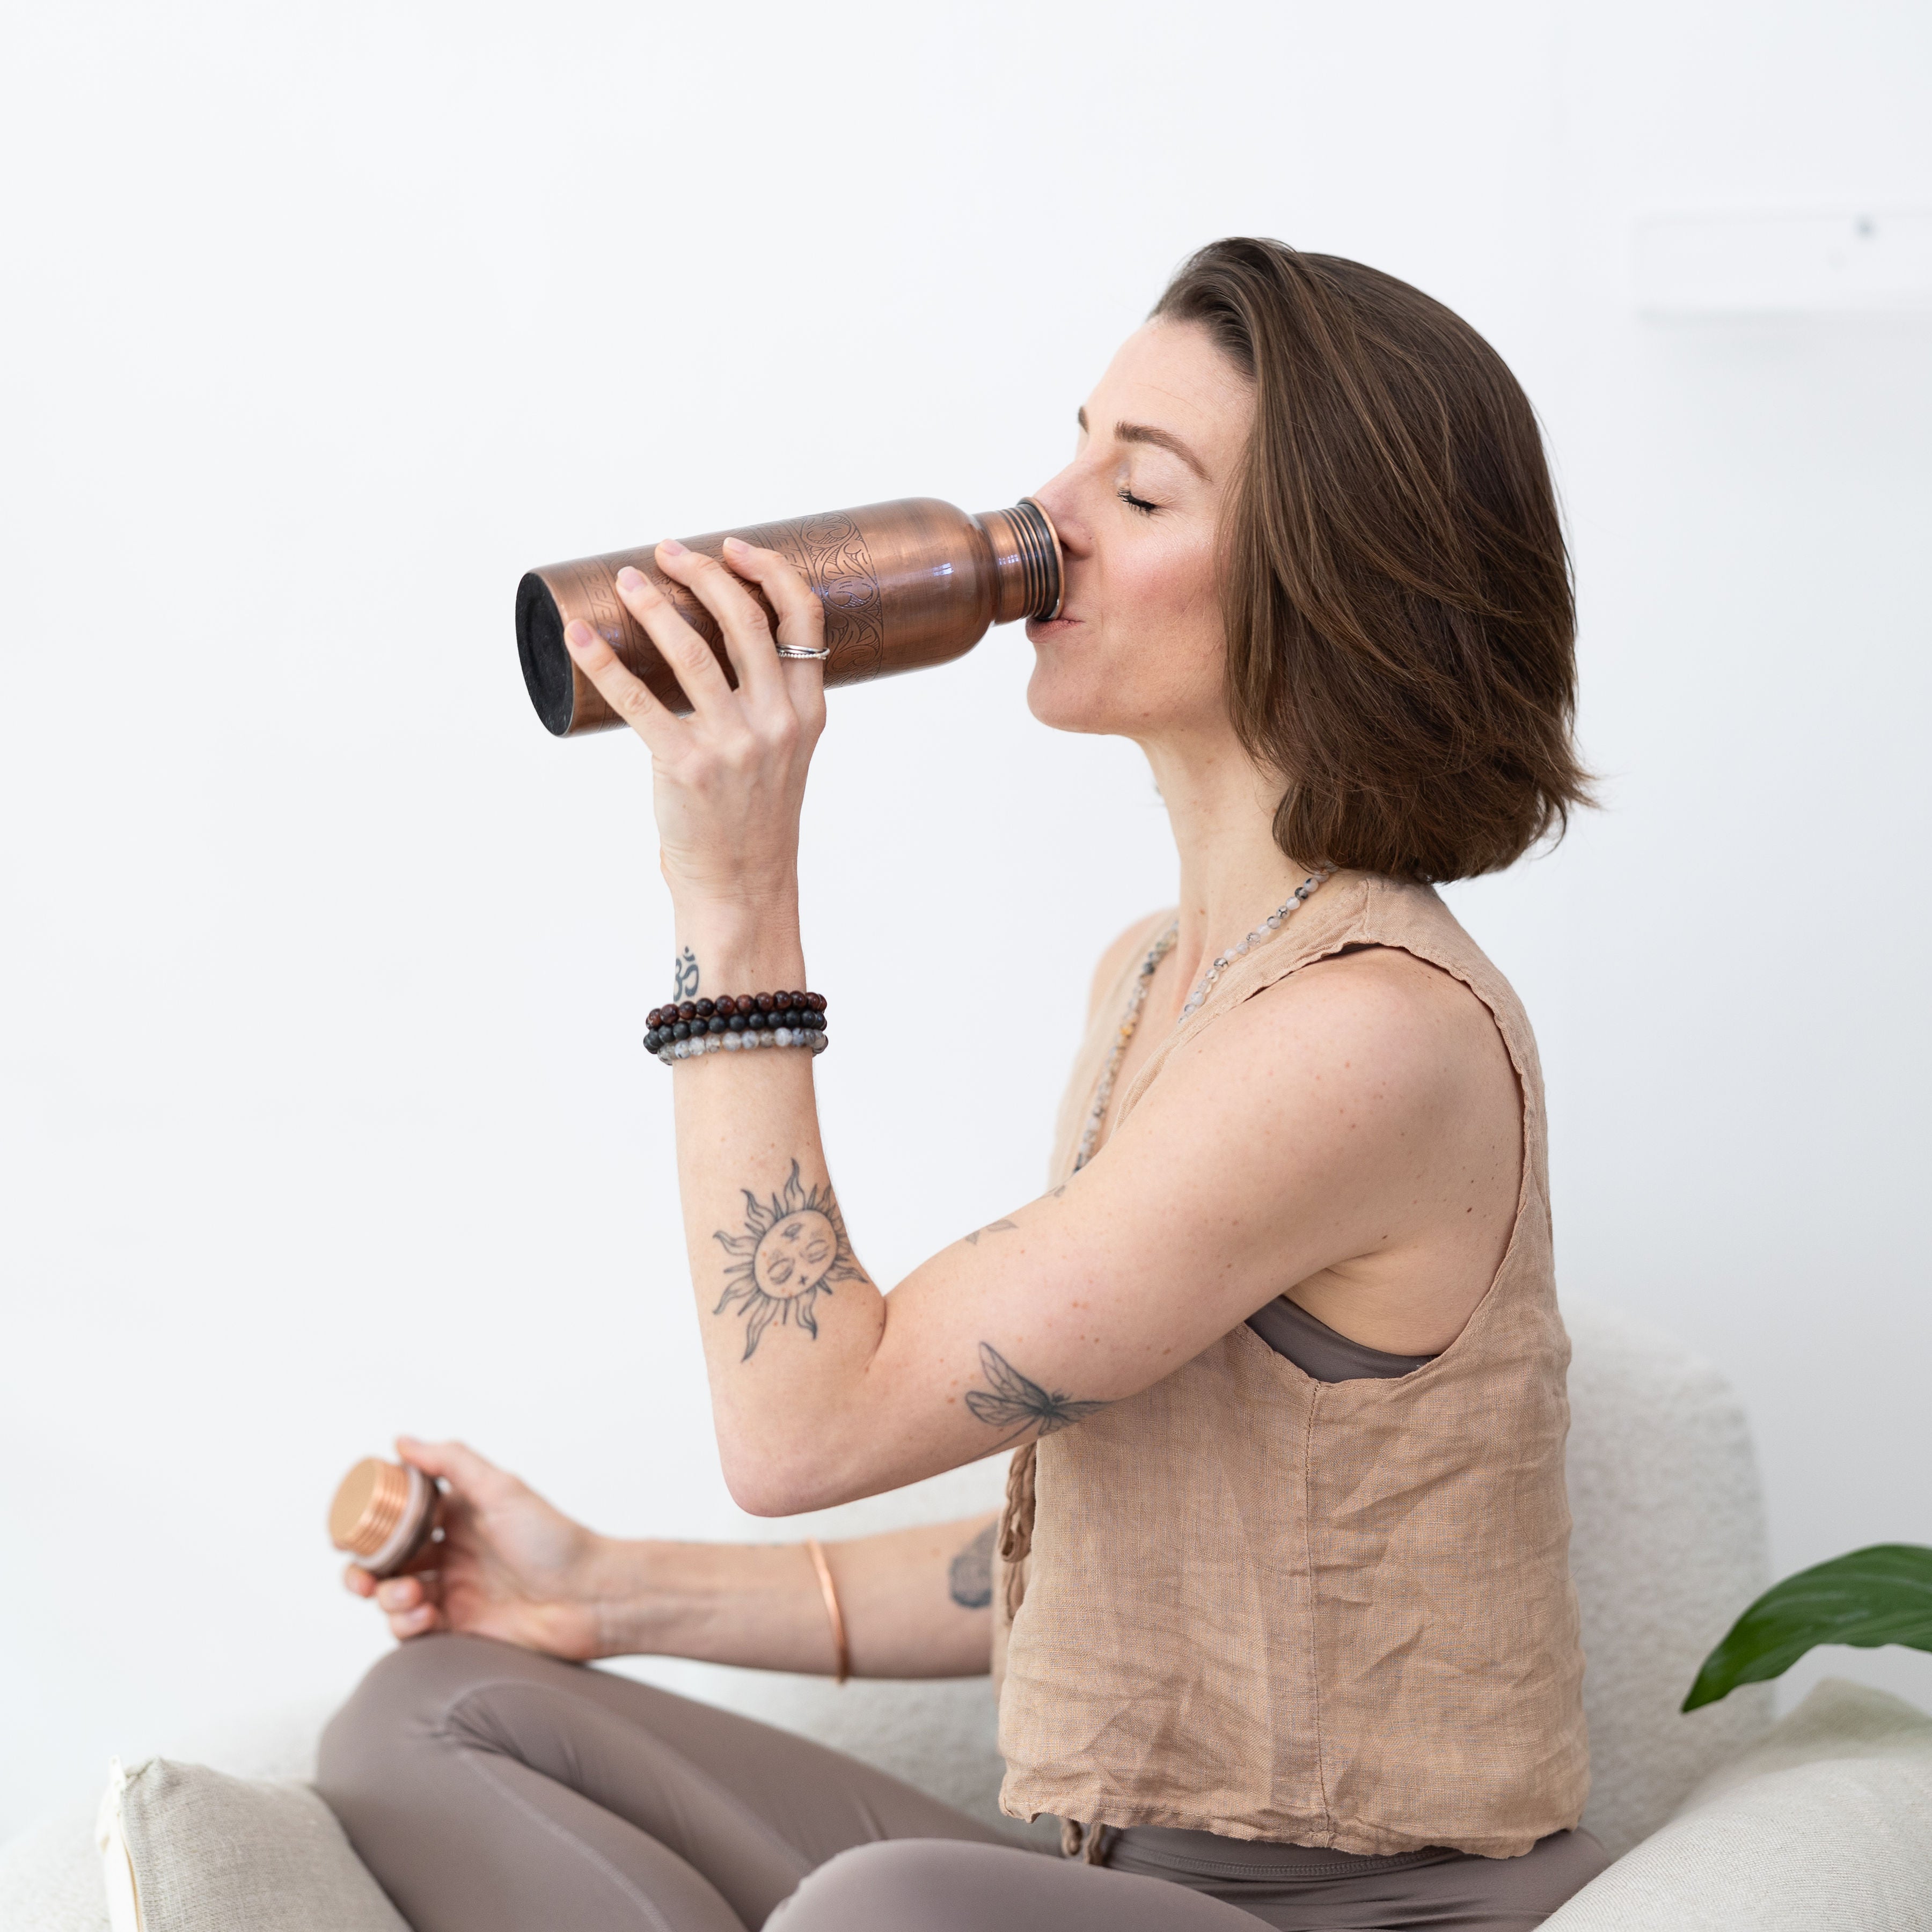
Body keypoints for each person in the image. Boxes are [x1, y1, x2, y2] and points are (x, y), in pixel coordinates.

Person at [319, 237, 1611, 1931]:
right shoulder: (1157, 978)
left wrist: (735, 897)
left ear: (1331, 585)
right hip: (1095, 1889)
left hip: (1342, 1916)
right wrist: (603, 1592)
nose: (1048, 510)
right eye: (1077, 443)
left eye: (1138, 494)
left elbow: (803, 1428)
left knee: (886, 1913)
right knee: (436, 1716)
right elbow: (1095, 1550)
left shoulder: (1370, 1032)